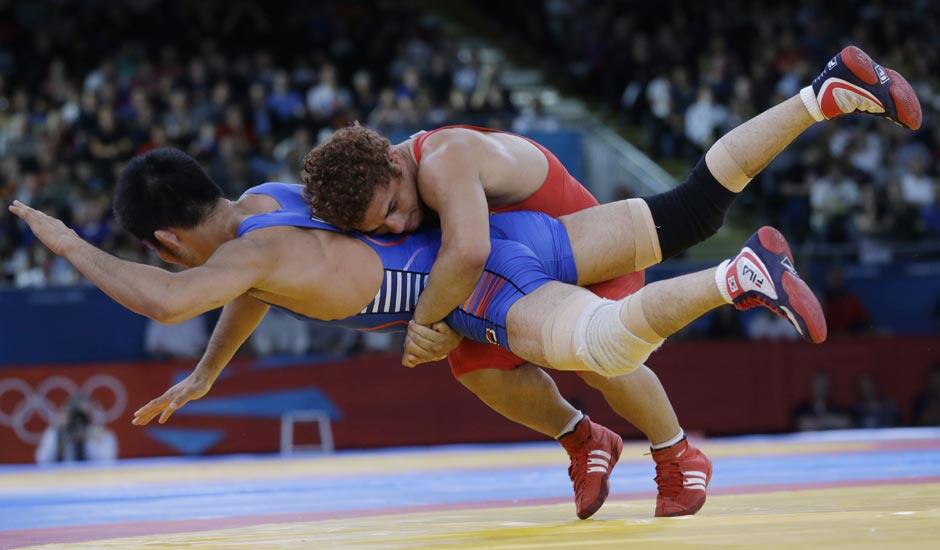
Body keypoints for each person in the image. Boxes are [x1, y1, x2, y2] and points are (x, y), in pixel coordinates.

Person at [9, 46, 919, 519]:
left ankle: (734, 283)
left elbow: (168, 298)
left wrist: (64, 240)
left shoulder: (282, 240)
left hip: (479, 269)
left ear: (167, 238)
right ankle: (820, 95)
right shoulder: (259, 211)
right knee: (684, 209)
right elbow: (255, 289)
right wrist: (208, 374)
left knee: (599, 345)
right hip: (509, 243)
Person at [301, 46, 920, 514]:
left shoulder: (441, 160)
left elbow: (466, 251)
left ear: (391, 159)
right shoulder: (396, 181)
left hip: (572, 241)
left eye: (392, 207)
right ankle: (583, 439)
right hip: (525, 259)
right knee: (474, 364)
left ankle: (677, 451)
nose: (398, 223)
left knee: (600, 352)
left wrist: (421, 326)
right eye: (380, 227)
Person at [35, 395, 118, 464]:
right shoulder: (55, 433)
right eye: (75, 416)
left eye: (83, 416)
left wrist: (88, 440)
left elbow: (109, 460)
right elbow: (42, 460)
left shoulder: (101, 434)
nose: (78, 421)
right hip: (61, 479)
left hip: (93, 479)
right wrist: (59, 437)